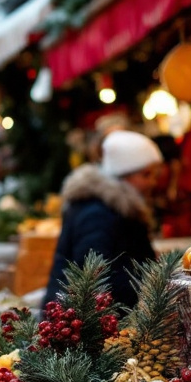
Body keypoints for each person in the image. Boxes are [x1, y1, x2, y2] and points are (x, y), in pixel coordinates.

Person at [44, 130, 162, 309]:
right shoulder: (97, 213)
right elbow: (93, 276)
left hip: (98, 317)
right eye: (146, 175)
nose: (152, 182)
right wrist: (150, 283)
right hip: (80, 323)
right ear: (125, 175)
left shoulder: (118, 209)